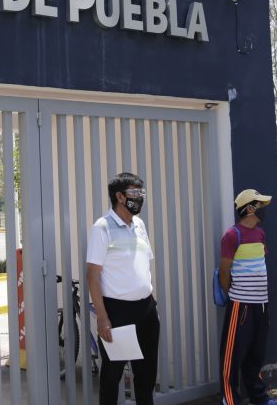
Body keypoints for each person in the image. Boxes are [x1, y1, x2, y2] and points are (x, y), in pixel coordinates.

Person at [86, 172, 159, 404]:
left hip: (146, 309)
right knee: (112, 376)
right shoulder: (102, 227)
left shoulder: (139, 224)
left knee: (146, 374)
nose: (139, 198)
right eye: (134, 193)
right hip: (117, 312)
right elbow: (93, 276)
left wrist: (150, 302)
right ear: (119, 196)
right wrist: (102, 317)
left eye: (141, 193)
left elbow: (142, 265)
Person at [218, 189, 277, 405]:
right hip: (241, 305)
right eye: (260, 206)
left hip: (261, 304)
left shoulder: (260, 233)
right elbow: (224, 271)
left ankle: (259, 397)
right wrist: (233, 295)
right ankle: (229, 399)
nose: (264, 210)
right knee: (233, 356)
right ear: (250, 209)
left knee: (256, 353)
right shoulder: (231, 235)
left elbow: (262, 258)